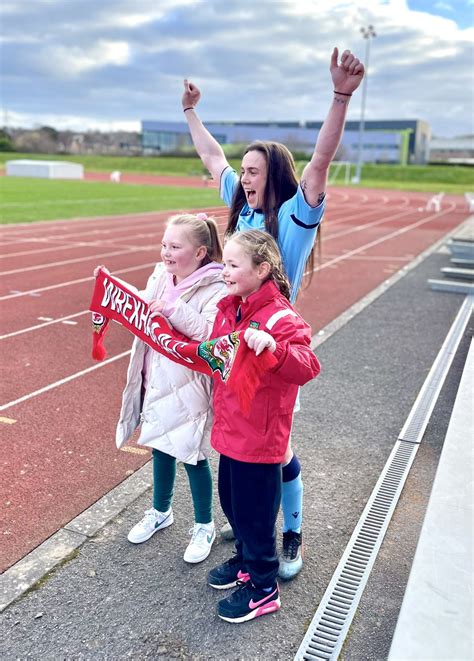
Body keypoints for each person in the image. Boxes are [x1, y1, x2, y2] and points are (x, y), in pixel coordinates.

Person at [181, 46, 364, 579]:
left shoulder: (291, 219)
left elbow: (321, 162)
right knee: (240, 442)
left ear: (275, 175)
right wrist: (191, 111)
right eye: (245, 169)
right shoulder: (240, 204)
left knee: (278, 447)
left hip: (272, 345)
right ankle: (254, 521)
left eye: (255, 170)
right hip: (235, 340)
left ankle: (291, 533)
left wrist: (339, 96)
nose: (245, 175)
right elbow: (213, 158)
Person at [206, 230, 320, 622]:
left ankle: (263, 587)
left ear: (262, 269)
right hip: (231, 430)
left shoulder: (280, 316)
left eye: (233, 265)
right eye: (224, 264)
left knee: (255, 516)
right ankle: (245, 560)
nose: (225, 272)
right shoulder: (230, 307)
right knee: (234, 506)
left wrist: (274, 348)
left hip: (259, 438)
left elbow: (308, 365)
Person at [109, 213, 226, 563]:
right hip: (157, 375)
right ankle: (161, 511)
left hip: (190, 384)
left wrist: (172, 309)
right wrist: (117, 295)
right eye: (164, 244)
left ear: (201, 252)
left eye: (175, 246)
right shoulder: (161, 274)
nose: (166, 252)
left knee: (192, 453)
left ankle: (204, 524)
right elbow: (145, 305)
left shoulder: (216, 287)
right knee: (160, 444)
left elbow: (208, 333)